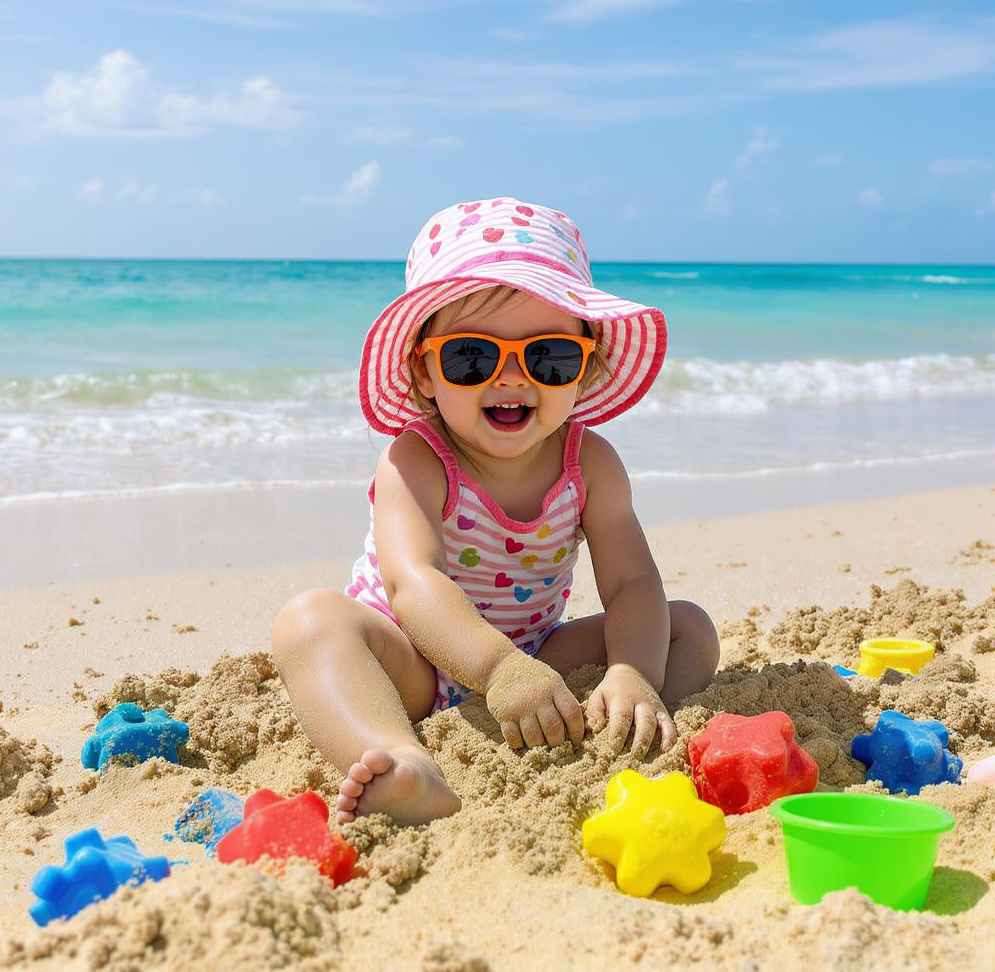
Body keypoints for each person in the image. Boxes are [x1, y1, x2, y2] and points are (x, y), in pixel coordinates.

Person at [272, 197, 719, 827]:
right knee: (310, 623)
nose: (511, 377)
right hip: (415, 662)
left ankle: (631, 726)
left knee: (687, 626)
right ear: (424, 371)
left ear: (586, 371)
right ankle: (401, 759)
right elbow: (412, 582)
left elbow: (632, 584)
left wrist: (631, 670)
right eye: (472, 358)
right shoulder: (416, 460)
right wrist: (496, 668)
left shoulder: (590, 464)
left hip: (538, 655)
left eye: (550, 358)